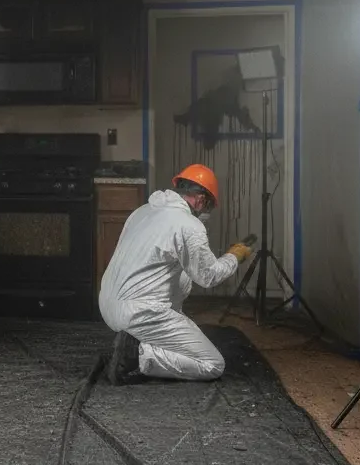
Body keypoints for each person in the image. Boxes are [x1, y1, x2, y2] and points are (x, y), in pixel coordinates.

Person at [98, 164, 253, 385]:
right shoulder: (189, 225)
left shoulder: (141, 212)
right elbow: (208, 277)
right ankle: (136, 355)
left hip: (108, 307)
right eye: (207, 205)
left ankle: (134, 340)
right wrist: (234, 256)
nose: (205, 211)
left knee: (179, 269)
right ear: (200, 199)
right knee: (212, 364)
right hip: (142, 312)